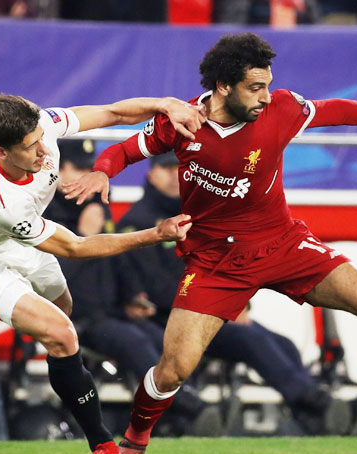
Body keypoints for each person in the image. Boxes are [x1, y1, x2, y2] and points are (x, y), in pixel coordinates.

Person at [65, 32, 357, 454]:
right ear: (222, 87)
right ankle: (136, 438)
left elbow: (334, 110)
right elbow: (124, 150)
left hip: (283, 243)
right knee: (174, 369)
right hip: (215, 263)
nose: (266, 96)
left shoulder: (281, 109)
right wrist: (102, 172)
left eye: (268, 84)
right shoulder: (182, 121)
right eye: (255, 87)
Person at [0, 93, 203, 454]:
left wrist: (164, 105)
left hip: (9, 238)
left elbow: (109, 112)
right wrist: (154, 234)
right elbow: (75, 247)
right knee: (61, 334)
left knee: (65, 313)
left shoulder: (40, 127)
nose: (44, 150)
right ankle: (103, 447)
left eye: (42, 137)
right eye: (31, 147)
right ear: (0, 153)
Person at [117, 152, 357, 436]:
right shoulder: (139, 222)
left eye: (179, 169)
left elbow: (229, 264)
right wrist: (219, 303)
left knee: (282, 343)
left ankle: (312, 414)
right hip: (171, 319)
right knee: (251, 340)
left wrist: (240, 304)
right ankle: (315, 405)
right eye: (165, 168)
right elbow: (155, 287)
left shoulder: (200, 216)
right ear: (151, 174)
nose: (173, 175)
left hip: (207, 309)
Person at [44, 139, 225, 437]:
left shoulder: (96, 203)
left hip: (113, 312)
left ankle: (183, 406)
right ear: (58, 171)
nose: (89, 176)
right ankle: (189, 408)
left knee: (161, 338)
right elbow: (48, 280)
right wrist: (83, 236)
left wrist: (132, 297)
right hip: (76, 320)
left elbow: (118, 260)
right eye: (81, 168)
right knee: (134, 342)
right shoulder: (45, 215)